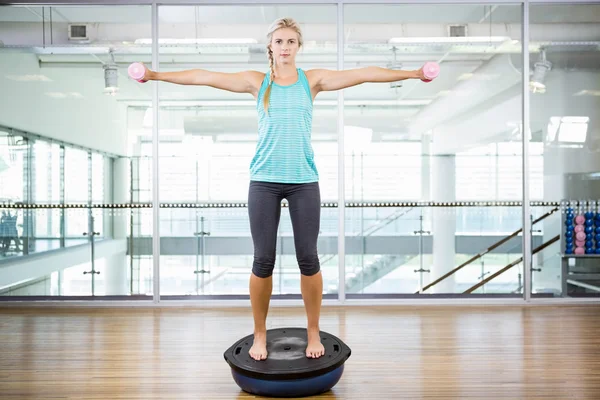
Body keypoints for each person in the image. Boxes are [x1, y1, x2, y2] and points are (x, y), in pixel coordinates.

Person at [138, 17, 428, 361]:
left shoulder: (313, 81)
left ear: (298, 47)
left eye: (291, 41)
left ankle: (313, 331)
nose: (285, 47)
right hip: (264, 181)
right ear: (270, 48)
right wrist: (155, 76)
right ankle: (259, 334)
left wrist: (412, 74)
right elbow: (204, 76)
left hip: (304, 180)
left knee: (309, 258)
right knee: (263, 260)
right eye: (279, 41)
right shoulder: (257, 83)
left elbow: (363, 73)